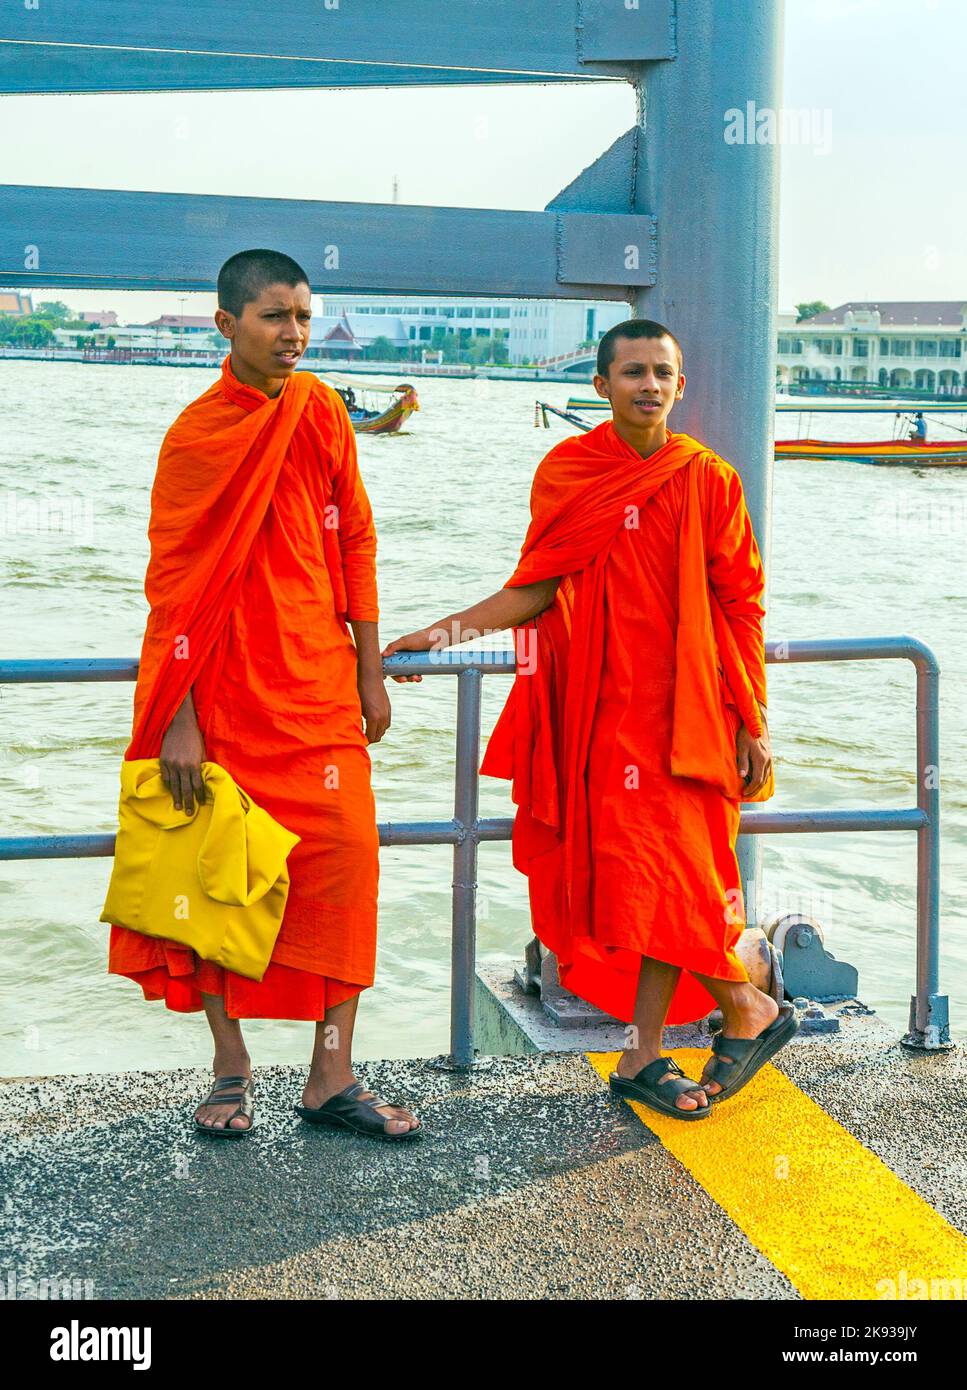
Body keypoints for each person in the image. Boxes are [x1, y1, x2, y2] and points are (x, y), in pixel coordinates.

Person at [383, 318, 797, 1121]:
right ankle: (650, 1052)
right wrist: (442, 634)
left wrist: (752, 718)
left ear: (682, 387)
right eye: (632, 370)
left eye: (662, 372)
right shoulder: (567, 472)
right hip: (597, 716)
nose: (648, 384)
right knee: (630, 884)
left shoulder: (707, 479)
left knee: (669, 876)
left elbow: (739, 604)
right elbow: (534, 587)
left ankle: (741, 1012)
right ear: (600, 384)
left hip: (689, 716)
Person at [107, 248, 420, 1140]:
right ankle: (230, 1062)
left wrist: (368, 675)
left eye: (303, 317)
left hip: (317, 685)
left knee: (344, 866)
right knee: (219, 883)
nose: (293, 333)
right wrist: (179, 717)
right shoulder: (198, 434)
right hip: (227, 693)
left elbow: (354, 538)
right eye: (274, 316)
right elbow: (174, 584)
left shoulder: (320, 409)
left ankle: (331, 1074)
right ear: (227, 325)